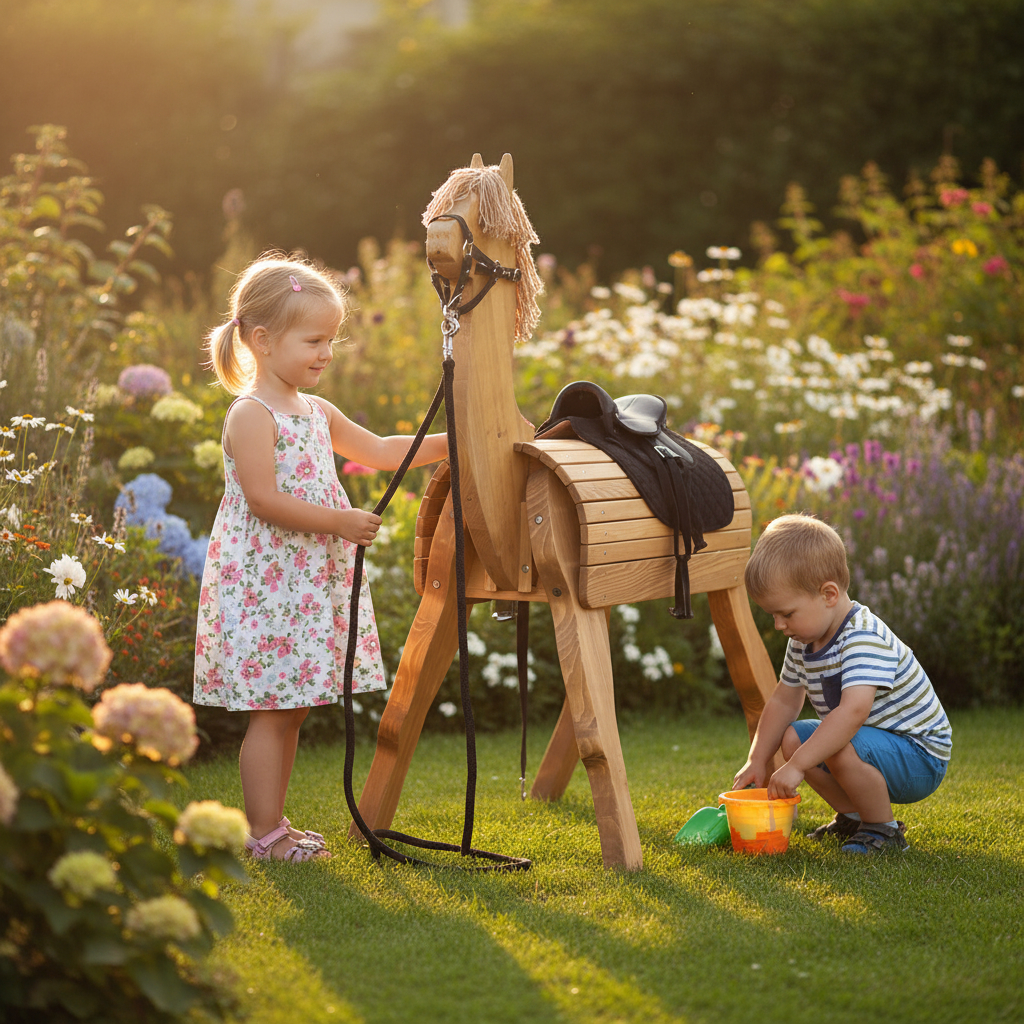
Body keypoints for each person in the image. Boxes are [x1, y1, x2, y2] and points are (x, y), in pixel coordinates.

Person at [193, 254, 447, 862]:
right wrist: (341, 522)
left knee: (295, 707)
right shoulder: (251, 414)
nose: (326, 353)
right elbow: (262, 498)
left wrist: (457, 440)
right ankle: (263, 834)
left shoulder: (316, 411)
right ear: (262, 340)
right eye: (313, 341)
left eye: (331, 340)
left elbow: (382, 450)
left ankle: (274, 825)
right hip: (267, 584)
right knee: (271, 711)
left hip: (305, 583)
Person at [732, 514, 951, 854]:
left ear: (829, 594)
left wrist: (798, 766)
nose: (778, 625)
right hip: (872, 743)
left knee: (833, 742)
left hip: (920, 755)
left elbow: (852, 713)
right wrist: (757, 759)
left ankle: (884, 830)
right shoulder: (803, 642)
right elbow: (784, 701)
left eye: (786, 614)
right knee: (794, 738)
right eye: (772, 615)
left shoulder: (863, 637)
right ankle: (853, 817)